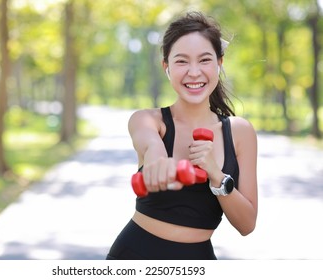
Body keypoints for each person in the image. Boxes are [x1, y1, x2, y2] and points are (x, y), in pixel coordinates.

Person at [106, 11, 258, 260]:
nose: (194, 72)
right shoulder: (149, 120)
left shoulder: (240, 132)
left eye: (205, 60)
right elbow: (149, 142)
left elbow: (247, 224)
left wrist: (216, 175)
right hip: (133, 255)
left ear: (219, 63)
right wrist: (156, 158)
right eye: (182, 61)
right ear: (166, 67)